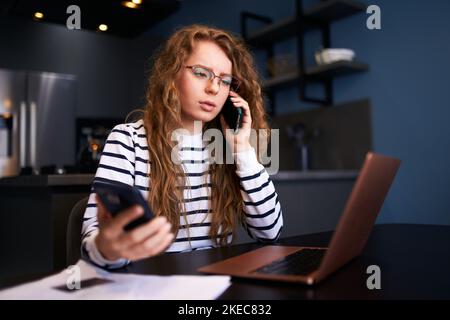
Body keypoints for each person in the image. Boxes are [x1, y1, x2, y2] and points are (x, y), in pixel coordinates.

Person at [81, 24, 283, 269]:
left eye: (225, 80)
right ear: (172, 74)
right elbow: (94, 243)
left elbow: (270, 232)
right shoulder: (128, 140)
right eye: (200, 73)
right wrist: (109, 249)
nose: (214, 88)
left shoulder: (227, 148)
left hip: (216, 287)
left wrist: (243, 149)